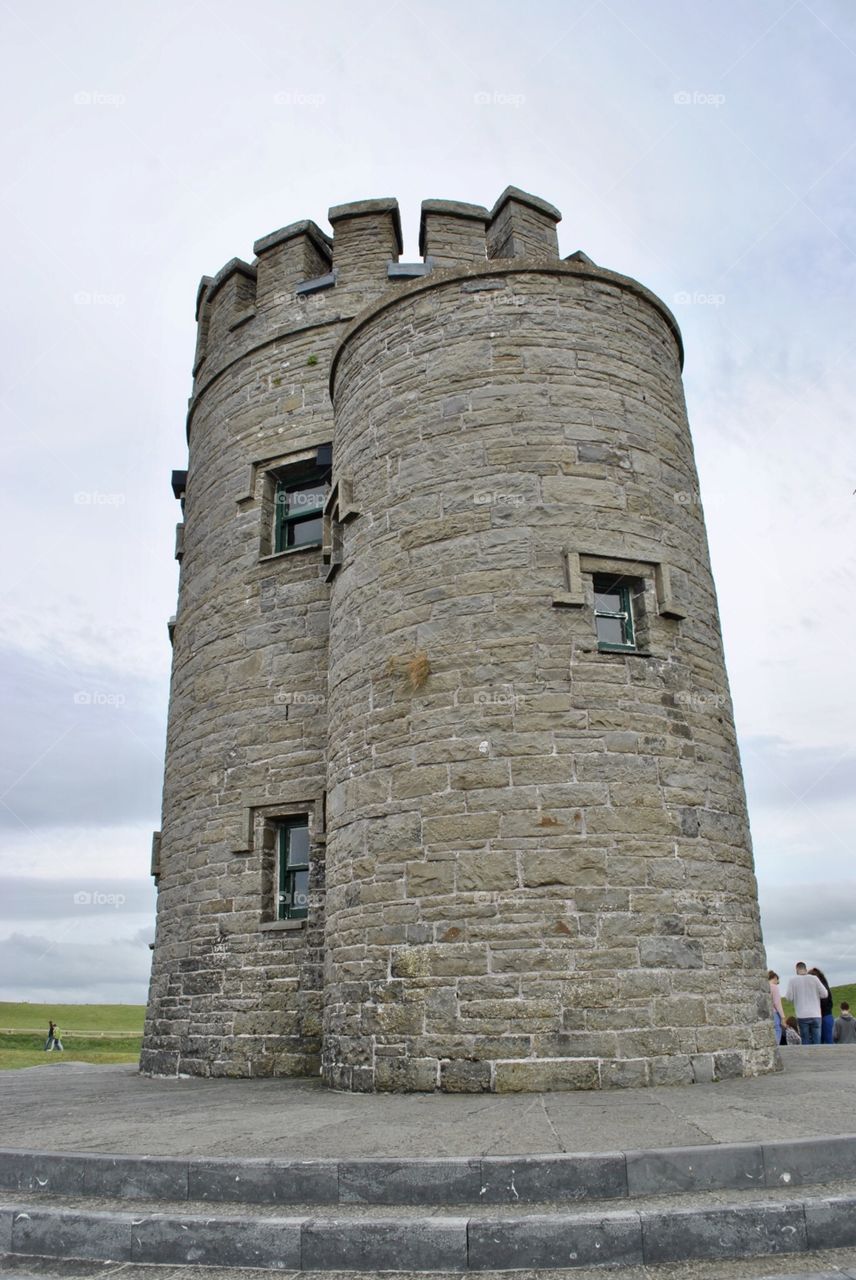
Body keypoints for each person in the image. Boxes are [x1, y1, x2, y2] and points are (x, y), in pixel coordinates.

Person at [785, 962, 828, 1045]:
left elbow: (789, 998)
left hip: (802, 1014)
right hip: (815, 1014)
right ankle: (817, 1056)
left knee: (805, 1040)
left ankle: (807, 1057)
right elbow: (825, 994)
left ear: (797, 969)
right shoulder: (814, 979)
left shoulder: (792, 980)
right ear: (806, 969)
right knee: (817, 1040)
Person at [810, 967, 835, 1044]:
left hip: (823, 1016)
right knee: (826, 1041)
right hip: (826, 1016)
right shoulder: (824, 986)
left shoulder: (821, 989)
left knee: (823, 1041)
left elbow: (823, 1003)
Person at [768, 970, 786, 1044]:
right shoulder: (774, 987)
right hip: (774, 1013)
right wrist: (782, 1016)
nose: (777, 984)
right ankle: (776, 1046)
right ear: (775, 978)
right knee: (777, 1029)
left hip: (766, 1013)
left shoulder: (765, 985)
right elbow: (777, 1003)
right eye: (777, 982)